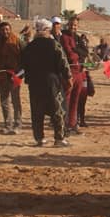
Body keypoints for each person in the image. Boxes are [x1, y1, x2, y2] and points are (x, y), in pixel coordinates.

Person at [22, 18, 71, 147]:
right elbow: (63, 62)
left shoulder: (30, 46)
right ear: (47, 30)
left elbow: (23, 64)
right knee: (58, 108)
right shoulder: (54, 44)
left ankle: (40, 138)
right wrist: (68, 77)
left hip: (34, 83)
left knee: (37, 111)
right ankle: (59, 138)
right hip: (52, 82)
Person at [0, 21, 23, 134]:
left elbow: (23, 57)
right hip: (2, 75)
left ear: (10, 29)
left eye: (7, 29)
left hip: (15, 75)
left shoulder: (17, 41)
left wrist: (19, 73)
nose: (5, 32)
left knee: (16, 100)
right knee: (4, 101)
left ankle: (18, 124)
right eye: (2, 30)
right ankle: (8, 124)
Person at [59, 16, 87, 135]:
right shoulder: (64, 37)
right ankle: (64, 125)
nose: (73, 27)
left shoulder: (79, 38)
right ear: (67, 25)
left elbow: (85, 52)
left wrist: (78, 52)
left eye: (75, 25)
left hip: (79, 71)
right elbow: (70, 54)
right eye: (71, 25)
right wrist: (78, 53)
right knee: (67, 99)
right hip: (69, 71)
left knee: (76, 99)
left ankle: (73, 123)